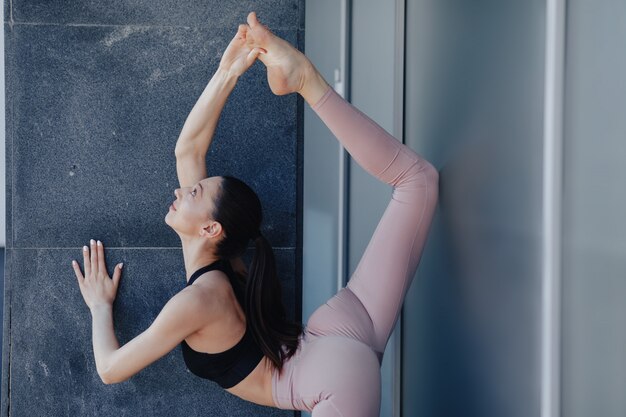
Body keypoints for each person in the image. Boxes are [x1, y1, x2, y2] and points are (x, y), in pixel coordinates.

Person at [72, 11, 438, 417]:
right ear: (212, 228)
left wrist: (102, 307)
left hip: (331, 354)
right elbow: (187, 151)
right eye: (194, 190)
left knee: (417, 181)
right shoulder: (221, 270)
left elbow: (110, 369)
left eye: (191, 191)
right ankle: (307, 83)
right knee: (417, 181)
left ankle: (304, 79)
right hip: (336, 344)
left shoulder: (204, 291)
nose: (179, 190)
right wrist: (227, 70)